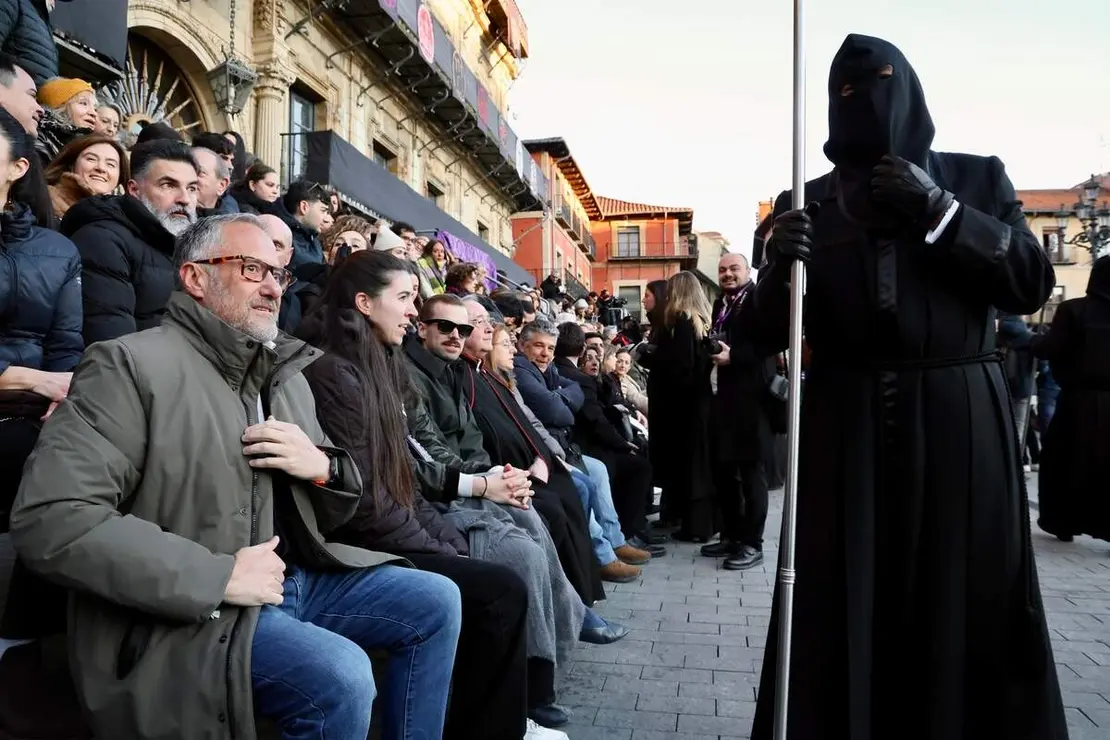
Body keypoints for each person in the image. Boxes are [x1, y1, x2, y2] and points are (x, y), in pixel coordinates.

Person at [8, 213, 463, 740]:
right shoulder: (126, 365)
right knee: (340, 674)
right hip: (192, 610)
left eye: (278, 273)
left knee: (436, 599)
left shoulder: (285, 376)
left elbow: (338, 507)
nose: (273, 286)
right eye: (252, 269)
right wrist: (216, 577)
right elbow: (52, 518)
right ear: (195, 278)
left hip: (291, 583)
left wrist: (325, 469)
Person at [749, 34, 1066, 740]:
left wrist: (941, 212)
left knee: (968, 589)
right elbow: (758, 334)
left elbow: (1029, 283)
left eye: (881, 84)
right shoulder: (806, 200)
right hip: (846, 423)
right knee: (842, 591)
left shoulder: (976, 179)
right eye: (847, 91)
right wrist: (777, 267)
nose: (864, 104)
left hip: (960, 417)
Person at [297, 251, 562, 740]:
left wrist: (445, 541)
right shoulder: (337, 374)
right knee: (499, 589)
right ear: (364, 303)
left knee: (507, 560)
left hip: (399, 525)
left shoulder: (377, 364)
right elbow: (370, 503)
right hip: (355, 547)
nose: (413, 311)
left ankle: (511, 714)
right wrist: (442, 545)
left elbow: (405, 481)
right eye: (404, 298)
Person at [0, 105, 80, 529]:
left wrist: (59, 394)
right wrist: (32, 379)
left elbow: (66, 344)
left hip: (32, 421)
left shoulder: (57, 249)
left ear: (18, 167)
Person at [61, 138, 199, 344]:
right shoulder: (102, 240)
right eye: (168, 185)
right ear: (134, 190)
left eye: (192, 188)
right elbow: (113, 346)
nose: (185, 199)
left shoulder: (192, 246)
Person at [702, 252, 776, 570]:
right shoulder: (722, 303)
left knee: (750, 474)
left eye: (734, 268)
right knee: (725, 473)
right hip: (724, 400)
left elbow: (771, 343)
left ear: (748, 271)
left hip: (752, 401)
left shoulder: (759, 299)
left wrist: (736, 357)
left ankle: (752, 543)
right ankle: (732, 535)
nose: (728, 274)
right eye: (722, 270)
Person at [1032, 256, 1110, 543]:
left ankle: (1064, 522)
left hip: (1078, 404)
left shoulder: (1074, 310)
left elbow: (1049, 347)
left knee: (1066, 462)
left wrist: (1032, 343)